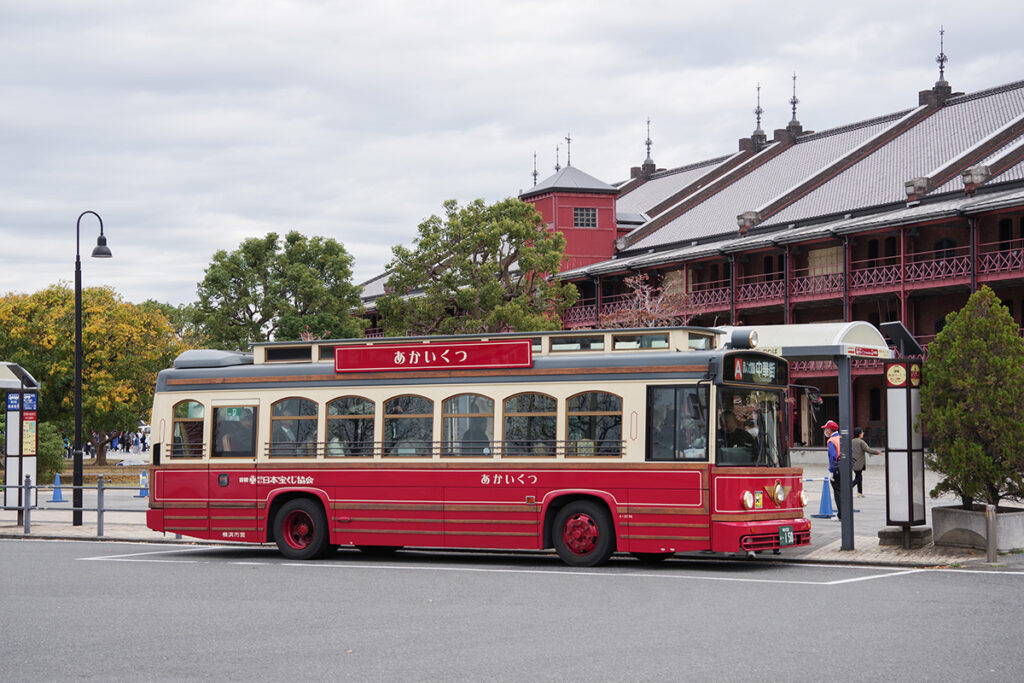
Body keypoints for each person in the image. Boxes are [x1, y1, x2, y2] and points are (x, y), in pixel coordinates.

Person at [851, 427, 881, 497]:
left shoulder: (851, 441)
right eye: (862, 432)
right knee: (858, 478)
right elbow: (868, 450)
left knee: (859, 477)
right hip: (859, 463)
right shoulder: (861, 442)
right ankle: (848, 488)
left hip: (853, 462)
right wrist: (877, 452)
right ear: (859, 434)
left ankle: (859, 493)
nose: (863, 433)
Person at [823, 420, 842, 519]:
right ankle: (845, 513)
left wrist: (831, 471)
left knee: (837, 492)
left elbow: (832, 457)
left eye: (826, 429)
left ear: (830, 430)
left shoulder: (831, 441)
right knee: (845, 492)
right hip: (846, 467)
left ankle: (841, 515)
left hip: (837, 469)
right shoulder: (842, 438)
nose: (825, 431)